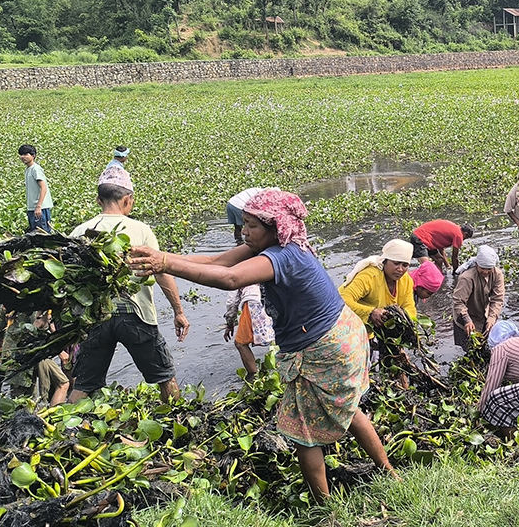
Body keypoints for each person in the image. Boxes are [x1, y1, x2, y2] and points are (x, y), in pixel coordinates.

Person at [127, 189, 396, 499]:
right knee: (348, 410)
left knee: (304, 434)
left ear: (275, 227)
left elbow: (229, 279)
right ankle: (388, 471)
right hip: (341, 333)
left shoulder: (284, 256)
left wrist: (165, 263)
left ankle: (326, 508)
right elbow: (217, 260)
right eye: (244, 223)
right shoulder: (283, 245)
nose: (244, 232)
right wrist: (159, 259)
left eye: (252, 226)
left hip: (324, 347)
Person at [68, 166, 190, 403]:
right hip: (136, 316)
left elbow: (71, 281)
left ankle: (66, 432)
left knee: (84, 383)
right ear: (127, 199)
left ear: (98, 200)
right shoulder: (141, 230)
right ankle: (177, 424)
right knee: (165, 377)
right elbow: (162, 272)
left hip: (95, 318)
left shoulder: (80, 231)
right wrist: (179, 311)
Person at [338, 239, 418, 327]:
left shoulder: (405, 280)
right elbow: (342, 300)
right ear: (385, 261)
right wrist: (371, 312)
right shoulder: (370, 276)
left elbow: (409, 306)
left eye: (405, 265)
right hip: (346, 320)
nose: (400, 269)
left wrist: (406, 322)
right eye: (396, 263)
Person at [452, 245, 505, 349]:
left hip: (483, 314)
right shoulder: (467, 278)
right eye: (482, 268)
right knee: (469, 348)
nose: (485, 272)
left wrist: (492, 318)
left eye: (489, 269)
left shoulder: (497, 274)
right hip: (464, 316)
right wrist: (466, 320)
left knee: (486, 345)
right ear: (477, 264)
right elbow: (458, 302)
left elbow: (497, 299)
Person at [223, 283, 274, 380]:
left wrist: (230, 323)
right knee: (279, 335)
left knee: (240, 343)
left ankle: (253, 376)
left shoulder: (236, 270)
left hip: (253, 302)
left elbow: (232, 301)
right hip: (271, 298)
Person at [410, 219, 475, 275]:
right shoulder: (458, 235)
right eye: (465, 238)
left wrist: (448, 266)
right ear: (465, 234)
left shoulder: (454, 228)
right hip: (420, 239)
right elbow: (454, 257)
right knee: (427, 266)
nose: (463, 240)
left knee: (439, 260)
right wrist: (456, 272)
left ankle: (438, 279)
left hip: (427, 240)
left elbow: (441, 250)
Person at [19, 144, 54, 233]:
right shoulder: (28, 169)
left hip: (39, 208)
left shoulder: (36, 169)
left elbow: (43, 188)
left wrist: (38, 206)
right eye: (21, 155)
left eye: (26, 154)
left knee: (42, 235)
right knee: (35, 235)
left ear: (33, 155)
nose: (23, 157)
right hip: (32, 208)